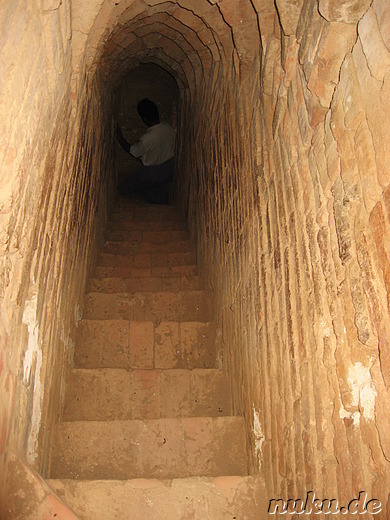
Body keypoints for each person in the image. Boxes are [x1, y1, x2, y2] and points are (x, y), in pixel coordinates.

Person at [116, 98, 175, 204]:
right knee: (161, 189)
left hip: (152, 173)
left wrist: (120, 138)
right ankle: (158, 196)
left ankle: (151, 197)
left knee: (124, 188)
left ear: (145, 119)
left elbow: (134, 151)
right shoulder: (168, 128)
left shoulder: (147, 138)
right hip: (169, 169)